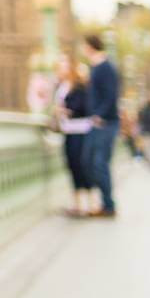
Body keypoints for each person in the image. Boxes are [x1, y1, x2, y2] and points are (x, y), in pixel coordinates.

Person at [80, 34, 121, 218]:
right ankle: (104, 202)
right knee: (88, 160)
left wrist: (100, 115)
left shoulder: (106, 67)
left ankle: (108, 205)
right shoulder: (95, 67)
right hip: (95, 122)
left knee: (98, 163)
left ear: (90, 46)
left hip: (105, 122)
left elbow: (111, 94)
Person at [52, 56, 93, 216]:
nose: (61, 71)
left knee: (83, 165)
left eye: (64, 67)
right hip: (68, 130)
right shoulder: (61, 86)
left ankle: (90, 203)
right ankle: (77, 203)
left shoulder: (80, 86)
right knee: (72, 166)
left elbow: (84, 107)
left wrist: (67, 110)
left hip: (80, 130)